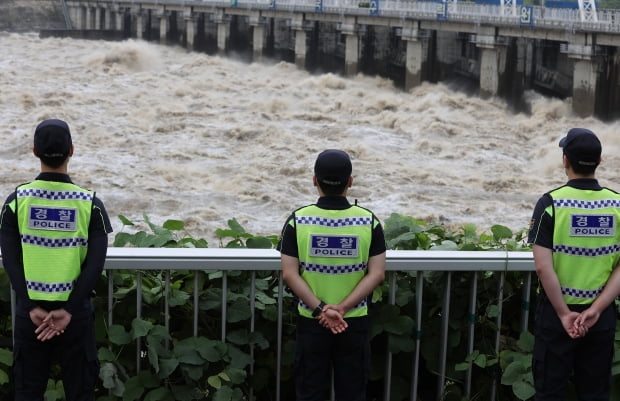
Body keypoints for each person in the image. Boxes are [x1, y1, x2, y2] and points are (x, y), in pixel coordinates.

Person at [0, 119, 112, 401]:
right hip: (74, 316)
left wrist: (29, 305)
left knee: (28, 391)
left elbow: (11, 260)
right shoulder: (90, 204)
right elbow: (95, 264)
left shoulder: (16, 202)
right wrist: (69, 310)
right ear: (72, 150)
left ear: (34, 151)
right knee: (80, 390)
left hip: (32, 316)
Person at [277, 149, 386, 401]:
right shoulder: (369, 221)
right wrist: (342, 310)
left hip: (312, 321)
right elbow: (377, 274)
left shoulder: (298, 220)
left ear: (315, 180)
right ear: (350, 181)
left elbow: (290, 275)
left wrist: (322, 310)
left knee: (310, 392)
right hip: (353, 321)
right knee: (353, 392)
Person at [528, 128, 620, 401]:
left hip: (556, 317)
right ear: (600, 161)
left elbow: (544, 268)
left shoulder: (551, 204)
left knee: (550, 393)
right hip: (600, 318)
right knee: (595, 393)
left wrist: (564, 313)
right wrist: (596, 309)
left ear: (565, 160)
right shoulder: (616, 205)